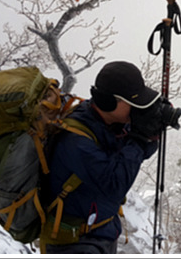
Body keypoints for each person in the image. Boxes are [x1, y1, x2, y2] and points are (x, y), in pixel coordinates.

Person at [40, 60, 170, 254]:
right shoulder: (76, 141)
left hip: (102, 231)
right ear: (110, 102)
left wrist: (152, 131)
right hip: (74, 243)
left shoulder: (104, 122)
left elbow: (137, 154)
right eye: (133, 104)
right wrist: (140, 138)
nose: (137, 109)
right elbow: (116, 184)